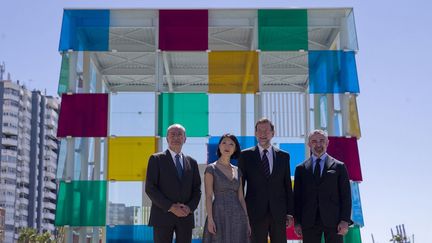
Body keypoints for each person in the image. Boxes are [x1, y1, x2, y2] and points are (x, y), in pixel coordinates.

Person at [238, 118, 294, 243]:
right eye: (260, 130)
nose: (263, 134)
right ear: (256, 133)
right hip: (254, 212)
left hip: (278, 212)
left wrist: (290, 213)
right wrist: (242, 211)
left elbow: (287, 186)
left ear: (273, 133)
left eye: (266, 131)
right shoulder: (245, 155)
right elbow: (240, 186)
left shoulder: (283, 156)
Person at [145, 124, 201, 243]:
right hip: (162, 216)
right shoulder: (156, 159)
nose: (176, 137)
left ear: (185, 139)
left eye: (179, 134)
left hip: (185, 217)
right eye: (173, 134)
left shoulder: (192, 162)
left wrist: (189, 208)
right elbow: (150, 188)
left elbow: (197, 190)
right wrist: (171, 207)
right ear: (167, 138)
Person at [293, 129, 352, 243]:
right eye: (314, 141)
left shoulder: (339, 167)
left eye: (321, 140)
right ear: (309, 144)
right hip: (308, 221)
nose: (318, 144)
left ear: (327, 143)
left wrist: (345, 220)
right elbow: (297, 198)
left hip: (335, 222)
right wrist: (297, 222)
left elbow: (346, 196)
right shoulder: (300, 169)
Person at [203, 133, 251, 243]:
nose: (227, 146)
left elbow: (241, 198)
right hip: (218, 215)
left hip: (238, 216)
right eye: (224, 143)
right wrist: (210, 219)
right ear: (219, 146)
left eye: (231, 144)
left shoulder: (238, 171)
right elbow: (209, 196)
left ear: (235, 149)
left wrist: (247, 221)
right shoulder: (211, 168)